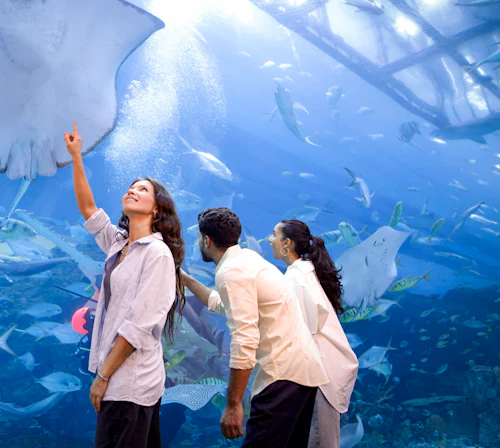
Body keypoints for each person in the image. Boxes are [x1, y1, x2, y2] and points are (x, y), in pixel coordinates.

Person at [64, 122, 185, 448]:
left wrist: (102, 378)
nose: (133, 191)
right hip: (118, 381)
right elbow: (89, 209)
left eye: (143, 189)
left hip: (130, 384)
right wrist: (76, 156)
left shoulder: (157, 254)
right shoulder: (120, 246)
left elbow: (138, 327)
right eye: (130, 187)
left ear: (157, 208)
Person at [181, 207, 328, 448]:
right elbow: (222, 304)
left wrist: (233, 404)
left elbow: (244, 339)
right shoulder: (247, 259)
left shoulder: (231, 272)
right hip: (302, 374)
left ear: (206, 240)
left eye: (198, 237)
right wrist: (186, 279)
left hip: (282, 376)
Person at [269, 219, 359, 448]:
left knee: (319, 442)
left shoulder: (296, 280)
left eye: (274, 235)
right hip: (323, 372)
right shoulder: (304, 273)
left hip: (320, 376)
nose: (269, 240)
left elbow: (303, 334)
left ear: (286, 243)